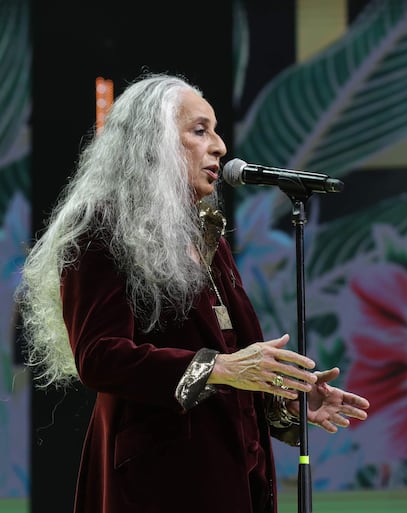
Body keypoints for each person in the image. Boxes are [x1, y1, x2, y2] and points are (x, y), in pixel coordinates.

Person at [16, 73, 369, 513]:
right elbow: (99, 356)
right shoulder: (100, 228)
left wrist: (287, 395)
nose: (220, 146)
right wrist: (219, 367)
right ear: (154, 142)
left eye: (216, 131)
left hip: (235, 470)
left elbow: (230, 355)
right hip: (159, 480)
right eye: (200, 131)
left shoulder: (206, 234)